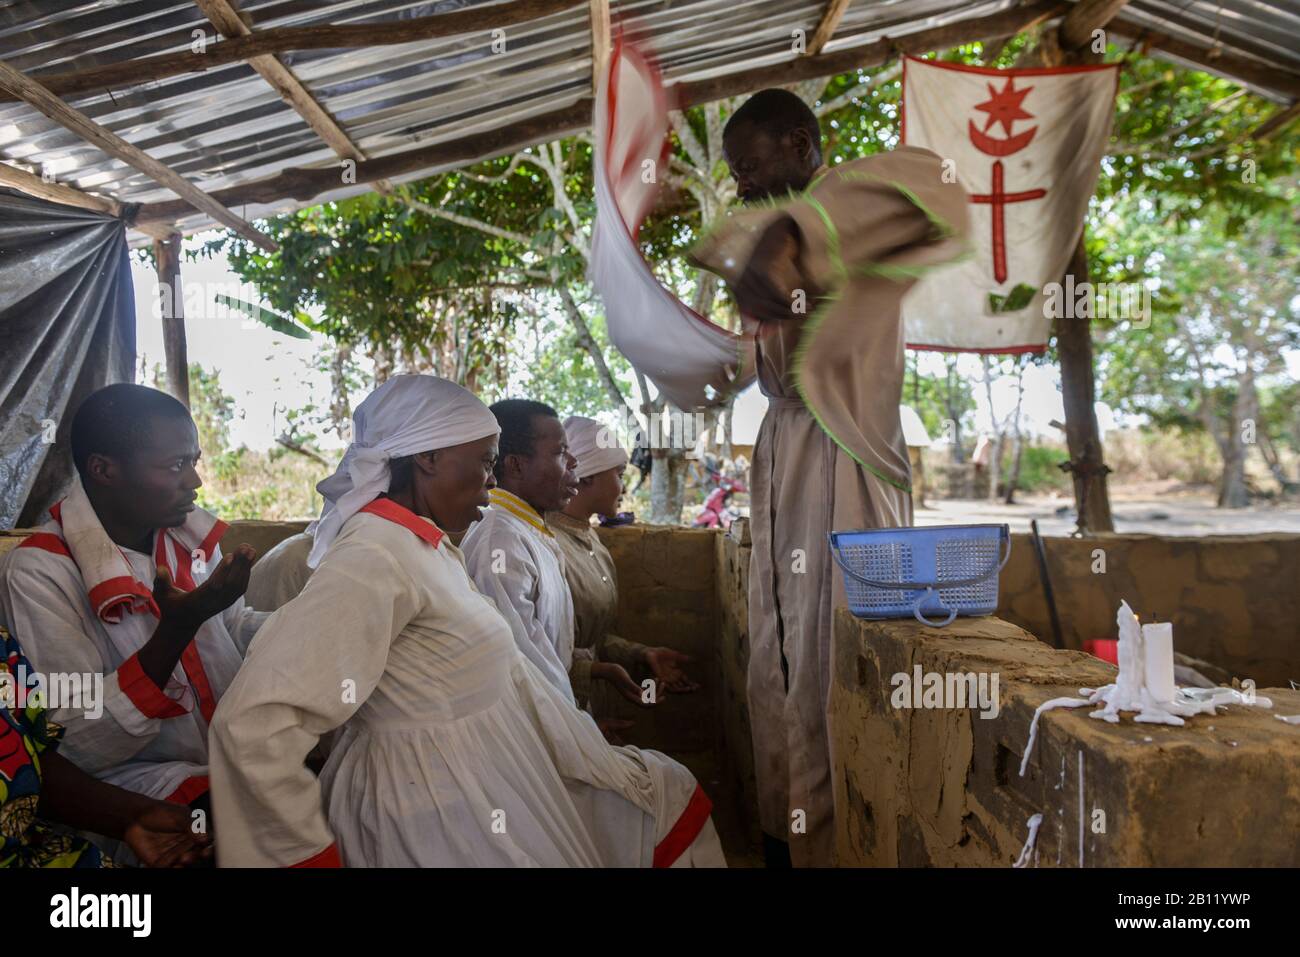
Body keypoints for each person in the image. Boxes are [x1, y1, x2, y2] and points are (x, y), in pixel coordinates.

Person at [207, 375, 725, 867]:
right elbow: (256, 723)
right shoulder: (374, 555)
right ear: (428, 457)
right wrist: (298, 853)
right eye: (484, 461)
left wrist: (574, 747)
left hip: (471, 791)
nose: (495, 480)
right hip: (431, 817)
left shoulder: (423, 545)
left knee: (663, 790)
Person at [688, 89, 971, 866]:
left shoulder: (850, 205)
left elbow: (942, 187)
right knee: (780, 662)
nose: (743, 187)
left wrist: (792, 229)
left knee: (834, 665)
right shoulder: (776, 238)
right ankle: (788, 837)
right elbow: (751, 365)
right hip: (781, 461)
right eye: (737, 176)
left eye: (750, 167)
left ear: (800, 144)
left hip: (844, 461)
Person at [0, 384, 264, 852]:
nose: (195, 482)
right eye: (176, 465)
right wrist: (177, 628)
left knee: (317, 797)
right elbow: (77, 738)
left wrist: (309, 624)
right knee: (242, 834)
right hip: (135, 787)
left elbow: (235, 635)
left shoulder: (189, 540)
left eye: (195, 460)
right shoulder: (44, 569)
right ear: (104, 470)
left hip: (228, 761)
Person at [0, 624, 212, 868]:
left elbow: (31, 756)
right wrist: (176, 630)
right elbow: (79, 739)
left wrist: (133, 816)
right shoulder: (30, 586)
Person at [545, 416, 698, 730]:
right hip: (555, 712)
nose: (624, 486)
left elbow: (588, 638)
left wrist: (641, 654)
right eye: (618, 474)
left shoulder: (591, 541)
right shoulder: (546, 545)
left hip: (586, 709)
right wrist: (603, 672)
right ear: (586, 478)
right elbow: (536, 657)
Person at [460, 400, 586, 702]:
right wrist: (575, 731)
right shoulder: (501, 541)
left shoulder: (527, 531)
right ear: (515, 464)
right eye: (559, 452)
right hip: (537, 717)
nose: (573, 462)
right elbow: (527, 668)